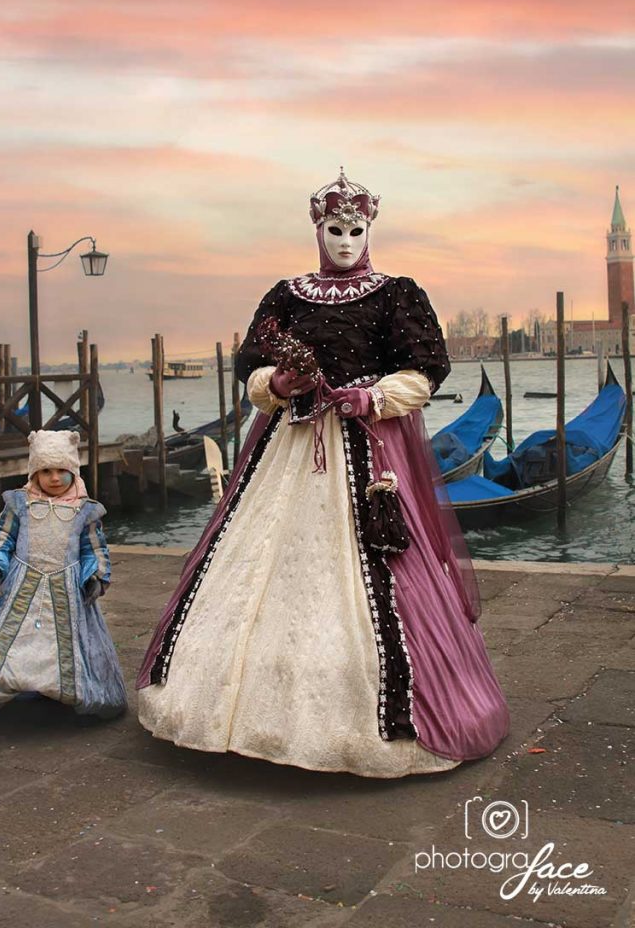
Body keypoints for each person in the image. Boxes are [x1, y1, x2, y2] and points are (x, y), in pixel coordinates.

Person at [137, 169, 509, 776]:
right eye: (334, 229)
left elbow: (424, 368)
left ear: (369, 231)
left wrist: (371, 399)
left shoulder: (398, 293)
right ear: (317, 229)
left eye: (355, 230)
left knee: (378, 565)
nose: (344, 242)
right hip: (290, 444)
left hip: (367, 448)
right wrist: (279, 383)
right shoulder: (287, 294)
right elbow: (252, 367)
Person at [0, 430, 127, 718]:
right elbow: (2, 537)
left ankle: (65, 692)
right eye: (46, 471)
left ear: (73, 470)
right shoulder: (19, 504)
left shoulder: (85, 511)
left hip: (67, 590)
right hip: (22, 585)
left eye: (61, 470)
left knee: (63, 643)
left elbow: (93, 549)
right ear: (35, 472)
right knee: (17, 640)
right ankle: (18, 686)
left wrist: (95, 575)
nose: (54, 478)